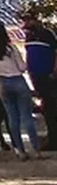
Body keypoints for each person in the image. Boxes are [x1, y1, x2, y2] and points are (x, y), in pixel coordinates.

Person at [0, 20, 42, 160]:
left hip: (2, 83)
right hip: (17, 80)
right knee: (27, 116)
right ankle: (36, 148)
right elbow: (22, 67)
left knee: (12, 117)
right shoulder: (10, 48)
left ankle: (19, 150)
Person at [22, 13, 57, 151]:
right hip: (37, 77)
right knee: (47, 108)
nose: (26, 23)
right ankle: (52, 138)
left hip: (49, 75)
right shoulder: (28, 36)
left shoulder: (48, 34)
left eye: (28, 19)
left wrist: (54, 69)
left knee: (52, 106)